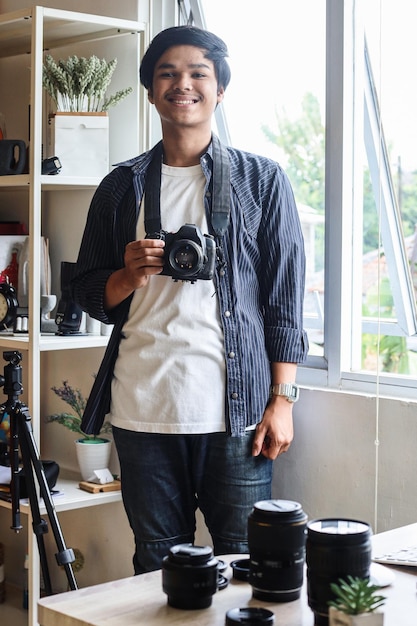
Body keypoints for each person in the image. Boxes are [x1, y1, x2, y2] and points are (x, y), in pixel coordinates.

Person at [71, 25, 309, 574]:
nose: (183, 84)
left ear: (219, 90)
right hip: (142, 411)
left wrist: (284, 400)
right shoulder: (120, 186)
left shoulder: (262, 181)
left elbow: (283, 299)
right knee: (157, 570)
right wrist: (127, 278)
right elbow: (85, 290)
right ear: (152, 92)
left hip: (238, 414)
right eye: (167, 74)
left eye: (198, 73)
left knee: (248, 564)